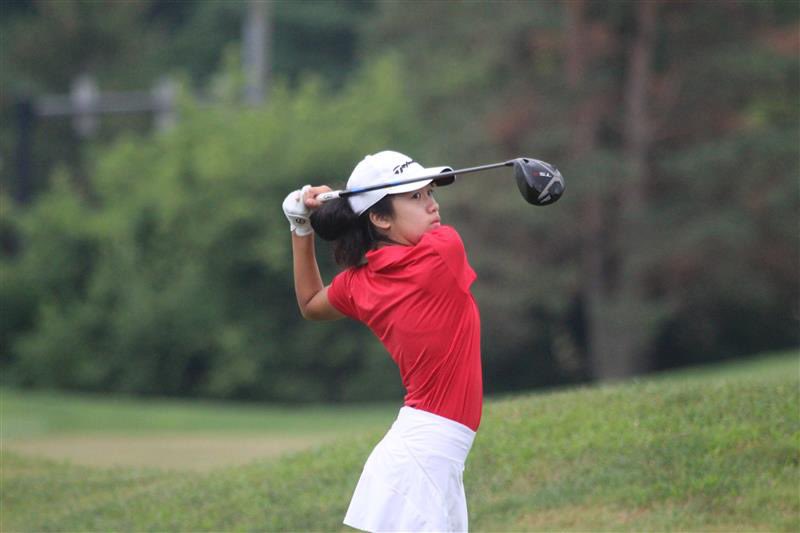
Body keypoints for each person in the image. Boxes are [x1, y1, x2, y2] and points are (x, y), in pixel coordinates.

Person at [282, 150, 483, 532]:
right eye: (415, 197)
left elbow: (310, 303)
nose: (432, 205)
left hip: (428, 454)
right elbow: (312, 304)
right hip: (422, 456)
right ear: (378, 216)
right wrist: (335, 207)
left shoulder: (359, 283)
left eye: (429, 193)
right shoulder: (444, 250)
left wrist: (301, 227)